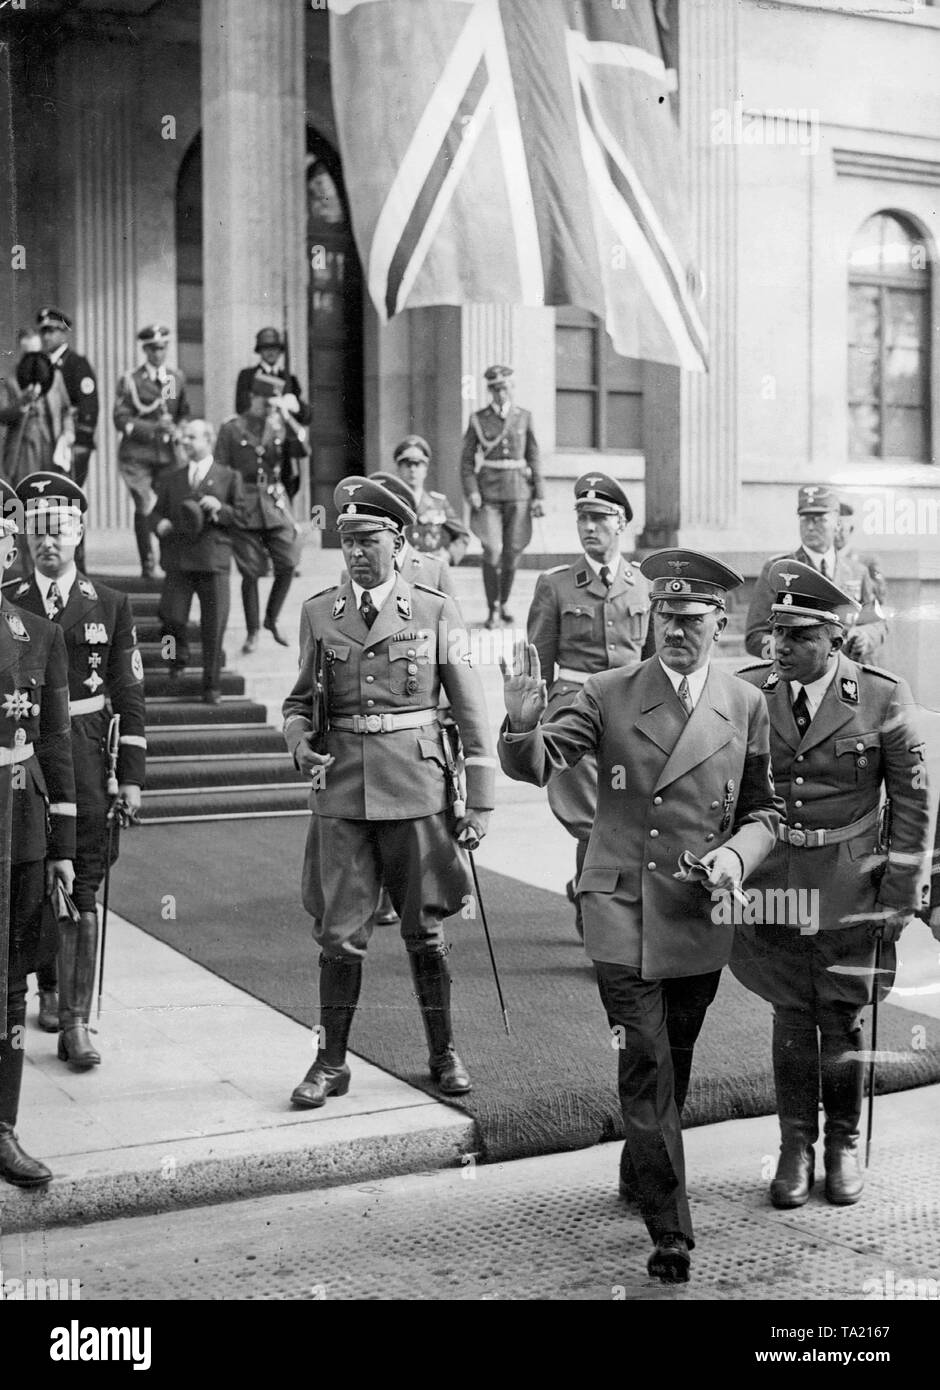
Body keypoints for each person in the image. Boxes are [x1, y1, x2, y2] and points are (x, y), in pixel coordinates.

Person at [498, 549, 781, 1284]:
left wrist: (737, 858)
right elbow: (542, 759)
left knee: (675, 1061)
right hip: (621, 903)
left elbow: (765, 811)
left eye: (690, 621)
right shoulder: (607, 691)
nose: (674, 631)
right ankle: (671, 1232)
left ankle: (641, 1166)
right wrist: (520, 726)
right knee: (645, 1060)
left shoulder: (746, 705)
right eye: (664, 616)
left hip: (696, 909)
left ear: (721, 624)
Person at [282, 477, 496, 1108]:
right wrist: (299, 744)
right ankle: (330, 1062)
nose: (356, 553)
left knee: (424, 929)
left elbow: (470, 708)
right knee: (338, 932)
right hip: (343, 787)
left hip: (416, 785)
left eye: (369, 540)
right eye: (347, 541)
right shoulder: (320, 612)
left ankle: (442, 1051)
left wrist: (479, 803)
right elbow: (298, 702)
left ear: (398, 542)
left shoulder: (432, 609)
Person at [732, 559, 930, 1209]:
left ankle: (841, 1145)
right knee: (791, 1015)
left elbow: (911, 800)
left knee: (841, 1017)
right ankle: (795, 1148)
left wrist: (901, 892)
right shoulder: (749, 693)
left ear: (834, 640)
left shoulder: (880, 694)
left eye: (798, 638)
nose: (779, 648)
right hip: (777, 882)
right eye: (776, 634)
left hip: (850, 885)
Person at [9, 474, 146, 1063]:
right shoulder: (9, 600)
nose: (49, 541)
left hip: (87, 751)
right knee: (29, 870)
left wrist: (133, 777)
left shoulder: (110, 605)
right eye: (37, 528)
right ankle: (44, 986)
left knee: (79, 880)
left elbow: (131, 694)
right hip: (20, 751)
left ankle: (75, 1021)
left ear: (80, 530)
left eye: (59, 527)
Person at [526, 472, 652, 937]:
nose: (589, 527)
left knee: (622, 816)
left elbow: (655, 661)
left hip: (632, 715)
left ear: (622, 523)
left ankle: (588, 889)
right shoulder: (556, 585)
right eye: (583, 518)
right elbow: (537, 662)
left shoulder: (644, 585)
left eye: (600, 518)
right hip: (573, 711)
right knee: (593, 820)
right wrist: (534, 721)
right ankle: (600, 914)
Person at [0, 477, 76, 1187]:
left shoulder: (38, 633)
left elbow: (54, 743)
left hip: (18, 821)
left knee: (10, 985)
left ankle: (4, 1128)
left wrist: (59, 846)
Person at [151, 420, 243, 705]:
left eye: (191, 437)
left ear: (209, 440)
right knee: (170, 616)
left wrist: (221, 509)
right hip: (178, 561)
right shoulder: (172, 478)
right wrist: (160, 523)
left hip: (212, 561)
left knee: (213, 628)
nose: (185, 442)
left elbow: (243, 518)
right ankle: (176, 659)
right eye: (183, 437)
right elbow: (153, 515)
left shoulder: (228, 477)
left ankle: (211, 687)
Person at [215, 375, 307, 653]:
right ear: (253, 398)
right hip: (244, 501)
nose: (269, 408)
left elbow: (303, 450)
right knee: (251, 571)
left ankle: (271, 618)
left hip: (274, 503)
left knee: (289, 561)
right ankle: (252, 631)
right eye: (266, 403)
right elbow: (220, 468)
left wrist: (288, 417)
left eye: (273, 404)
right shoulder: (232, 428)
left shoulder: (280, 425)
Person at [746, 485, 887, 662]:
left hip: (847, 675)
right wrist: (791, 653)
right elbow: (754, 637)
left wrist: (865, 636)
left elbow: (878, 622)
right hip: (797, 679)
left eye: (819, 519)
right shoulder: (779, 570)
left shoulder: (856, 571)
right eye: (805, 519)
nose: (810, 527)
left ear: (837, 524)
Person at [460, 365, 543, 628]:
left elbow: (534, 456)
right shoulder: (478, 419)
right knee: (492, 550)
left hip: (519, 492)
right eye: (494, 389)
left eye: (504, 387)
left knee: (512, 553)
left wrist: (539, 495)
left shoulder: (524, 417)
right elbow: (465, 462)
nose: (500, 393)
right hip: (488, 495)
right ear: (489, 391)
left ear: (512, 388)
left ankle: (504, 602)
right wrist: (472, 491)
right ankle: (492, 608)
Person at [113, 324, 190, 579]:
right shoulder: (131, 381)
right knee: (145, 505)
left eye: (162, 347)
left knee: (169, 505)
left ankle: (170, 562)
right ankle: (148, 563)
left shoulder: (175, 378)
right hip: (137, 456)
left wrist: (180, 429)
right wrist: (154, 428)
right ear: (145, 350)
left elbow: (182, 412)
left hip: (168, 455)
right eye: (153, 348)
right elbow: (121, 419)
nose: (158, 353)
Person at [34, 307, 98, 490]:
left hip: (72, 440)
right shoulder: (39, 364)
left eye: (51, 331)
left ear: (64, 334)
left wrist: (78, 439)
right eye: (43, 332)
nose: (46, 337)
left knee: (69, 499)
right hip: (48, 442)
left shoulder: (77, 364)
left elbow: (89, 405)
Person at [393, 435, 469, 568]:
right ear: (398, 469)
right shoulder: (391, 503)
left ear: (425, 470)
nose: (412, 469)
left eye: (418, 464)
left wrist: (448, 555)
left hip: (430, 568)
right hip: (399, 569)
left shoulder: (438, 503)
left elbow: (462, 535)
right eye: (407, 464)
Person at [0, 347, 56, 487]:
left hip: (48, 443)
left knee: (48, 489)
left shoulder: (54, 377)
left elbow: (65, 410)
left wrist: (68, 433)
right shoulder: (10, 381)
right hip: (23, 444)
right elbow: (3, 414)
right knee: (26, 488)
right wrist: (23, 402)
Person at [836, 500, 888, 607]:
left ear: (851, 529)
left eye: (842, 530)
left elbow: (881, 594)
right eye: (834, 530)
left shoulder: (869, 561)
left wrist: (860, 577)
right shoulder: (822, 562)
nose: (837, 535)